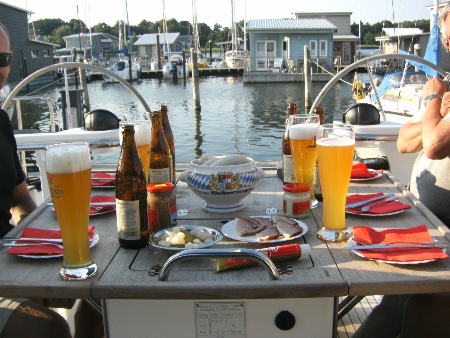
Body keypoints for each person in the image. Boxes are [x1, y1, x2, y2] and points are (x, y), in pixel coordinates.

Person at [353, 3, 450, 337]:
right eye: (449, 41)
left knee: (425, 296)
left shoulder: (439, 91)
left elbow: (434, 144)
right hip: (426, 226)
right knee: (395, 296)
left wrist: (431, 102)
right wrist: (434, 115)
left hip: (443, 236)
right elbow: (409, 141)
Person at [0, 22, 72, 338]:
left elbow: (20, 201)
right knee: (46, 328)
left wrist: (52, 242)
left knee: (90, 295)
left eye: (3, 59)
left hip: (7, 259)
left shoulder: (0, 122)